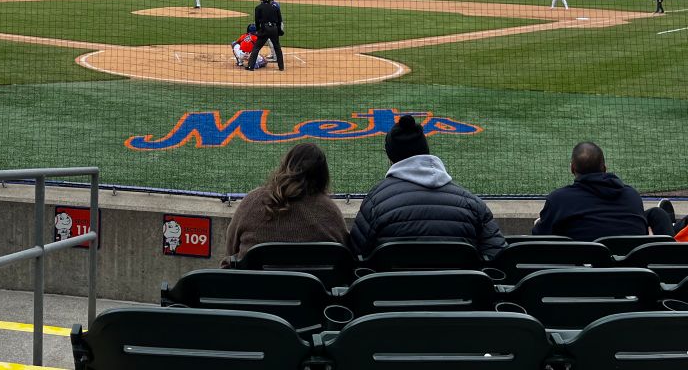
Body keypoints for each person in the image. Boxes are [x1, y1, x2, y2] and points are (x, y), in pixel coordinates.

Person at [349, 114, 505, 258]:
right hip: (457, 288)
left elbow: (357, 255)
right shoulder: (471, 203)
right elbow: (498, 255)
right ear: (425, 151)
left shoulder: (376, 202)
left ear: (390, 157)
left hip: (394, 288)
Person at [222, 143, 348, 266]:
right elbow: (345, 253)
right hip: (312, 287)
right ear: (322, 175)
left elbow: (231, 249)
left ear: (286, 166)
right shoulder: (330, 211)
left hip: (254, 286)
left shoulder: (252, 201)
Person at [532, 142, 651, 240]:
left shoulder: (558, 200)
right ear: (604, 168)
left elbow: (539, 239)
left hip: (579, 268)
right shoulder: (632, 197)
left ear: (572, 168)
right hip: (631, 268)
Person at [247, 0, 284, 71]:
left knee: (256, 48)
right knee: (277, 47)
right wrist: (279, 31)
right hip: (274, 29)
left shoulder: (258, 7)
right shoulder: (275, 7)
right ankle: (281, 67)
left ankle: (251, 66)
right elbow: (279, 20)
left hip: (264, 29)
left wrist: (258, 30)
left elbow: (257, 21)